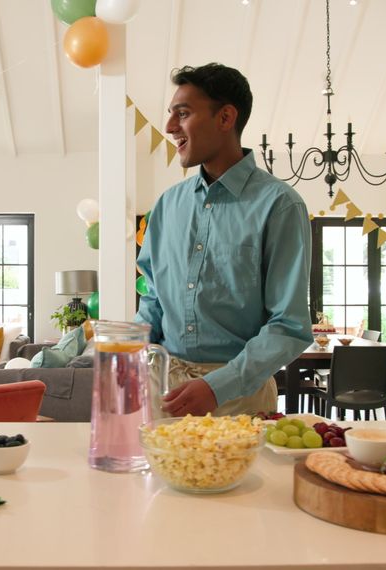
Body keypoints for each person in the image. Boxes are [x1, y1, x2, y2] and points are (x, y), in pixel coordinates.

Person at [135, 63, 313, 418]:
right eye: (171, 115)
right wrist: (132, 353)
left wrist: (219, 387)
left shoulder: (280, 205)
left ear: (225, 117)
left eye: (182, 114)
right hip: (162, 391)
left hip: (240, 398)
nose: (170, 127)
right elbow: (153, 297)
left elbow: (289, 326)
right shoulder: (167, 205)